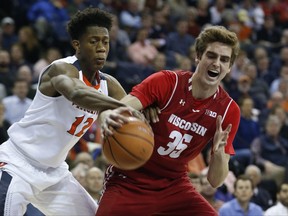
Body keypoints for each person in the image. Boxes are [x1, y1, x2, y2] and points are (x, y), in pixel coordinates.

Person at [0, 7, 136, 216]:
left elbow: (137, 109)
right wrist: (123, 107)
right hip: (18, 163)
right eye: (94, 41)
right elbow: (75, 92)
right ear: (77, 45)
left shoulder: (110, 85)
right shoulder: (61, 69)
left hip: (55, 173)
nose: (101, 48)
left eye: (105, 42)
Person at [97, 25, 241, 215]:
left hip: (174, 185)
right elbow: (121, 108)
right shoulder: (167, 82)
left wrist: (219, 151)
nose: (217, 63)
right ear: (198, 56)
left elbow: (215, 181)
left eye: (224, 60)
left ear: (229, 67)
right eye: (211, 56)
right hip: (129, 179)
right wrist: (108, 114)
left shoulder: (229, 110)